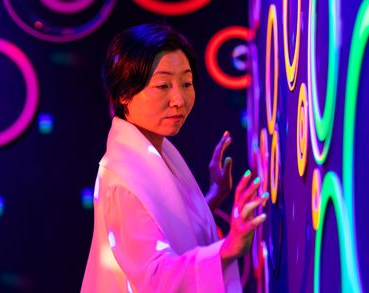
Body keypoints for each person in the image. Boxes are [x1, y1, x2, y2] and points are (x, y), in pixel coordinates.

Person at [81, 23, 269, 293]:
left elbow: (160, 228)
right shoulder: (124, 177)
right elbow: (155, 278)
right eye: (163, 85)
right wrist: (227, 249)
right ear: (123, 94)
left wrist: (213, 196)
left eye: (186, 83)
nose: (179, 99)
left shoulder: (152, 151)